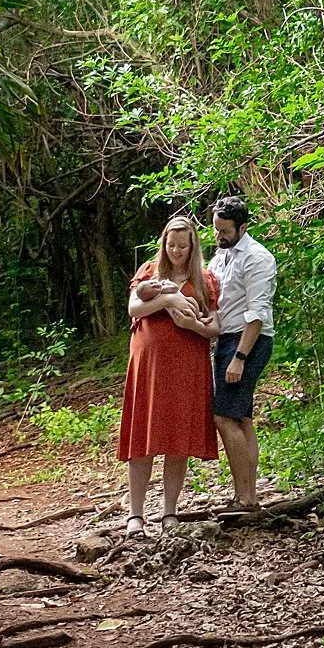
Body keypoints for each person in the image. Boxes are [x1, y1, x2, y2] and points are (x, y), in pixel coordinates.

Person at [117, 213, 221, 535]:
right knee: (143, 438)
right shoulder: (149, 273)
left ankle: (169, 512)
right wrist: (170, 298)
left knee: (177, 437)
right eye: (171, 245)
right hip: (149, 365)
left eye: (182, 246)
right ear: (164, 244)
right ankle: (136, 514)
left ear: (192, 247)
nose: (176, 251)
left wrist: (190, 323)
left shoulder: (205, 280)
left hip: (187, 367)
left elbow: (215, 328)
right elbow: (134, 309)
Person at [205, 194, 277, 514]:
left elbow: (257, 313)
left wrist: (240, 357)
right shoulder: (219, 257)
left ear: (243, 227)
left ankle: (246, 498)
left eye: (225, 230)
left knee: (223, 416)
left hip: (250, 341)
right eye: (215, 229)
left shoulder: (258, 258)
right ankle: (247, 495)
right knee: (243, 418)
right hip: (225, 340)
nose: (219, 235)